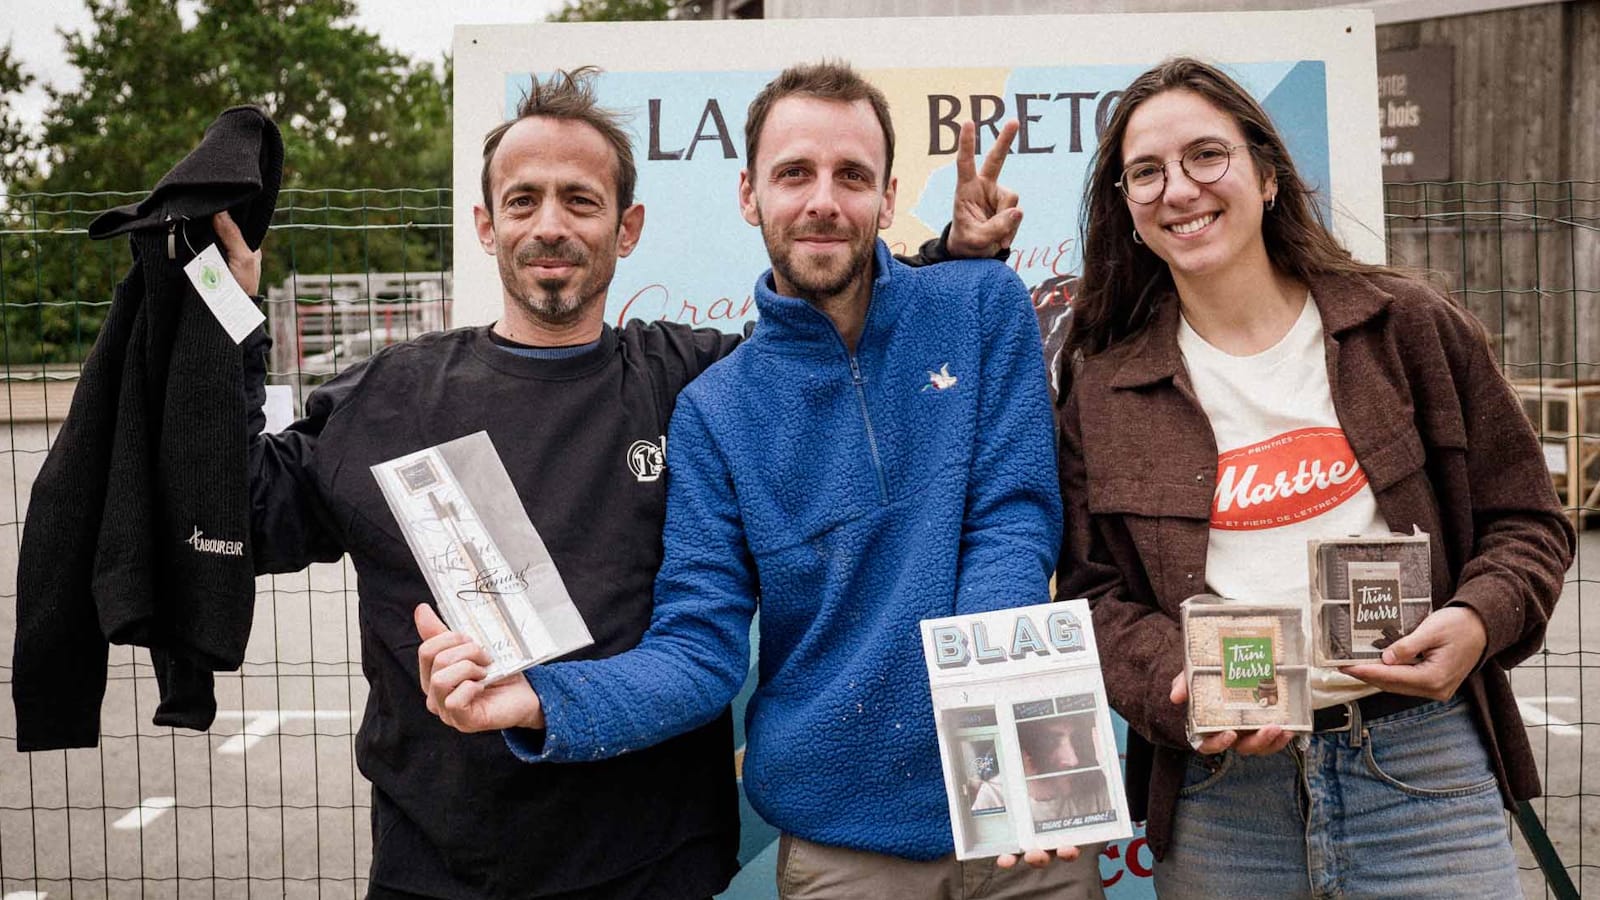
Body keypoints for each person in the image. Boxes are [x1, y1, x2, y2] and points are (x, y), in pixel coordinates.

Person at [416, 61, 1105, 899]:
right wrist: (540, 698)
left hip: (1028, 811)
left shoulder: (983, 304)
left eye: (852, 176)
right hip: (844, 845)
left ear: (888, 199)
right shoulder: (715, 410)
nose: (823, 201)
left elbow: (1014, 524)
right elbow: (700, 650)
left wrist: (999, 745)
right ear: (749, 195)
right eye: (794, 174)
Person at [219, 68, 751, 900]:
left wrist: (951, 260)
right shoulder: (391, 396)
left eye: (580, 200)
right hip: (443, 869)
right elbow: (245, 511)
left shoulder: (691, 379)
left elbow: (830, 341)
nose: (550, 225)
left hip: (656, 862)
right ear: (485, 224)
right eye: (522, 200)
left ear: (627, 228)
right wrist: (225, 313)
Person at [1055, 57, 1575, 897]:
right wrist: (1181, 685)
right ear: (1128, 210)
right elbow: (1095, 596)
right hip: (1223, 805)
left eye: (1206, 155)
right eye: (1145, 172)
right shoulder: (1105, 391)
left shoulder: (1405, 327)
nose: (1178, 189)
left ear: (1267, 177)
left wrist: (1479, 619)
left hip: (1421, 768)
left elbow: (1528, 519)